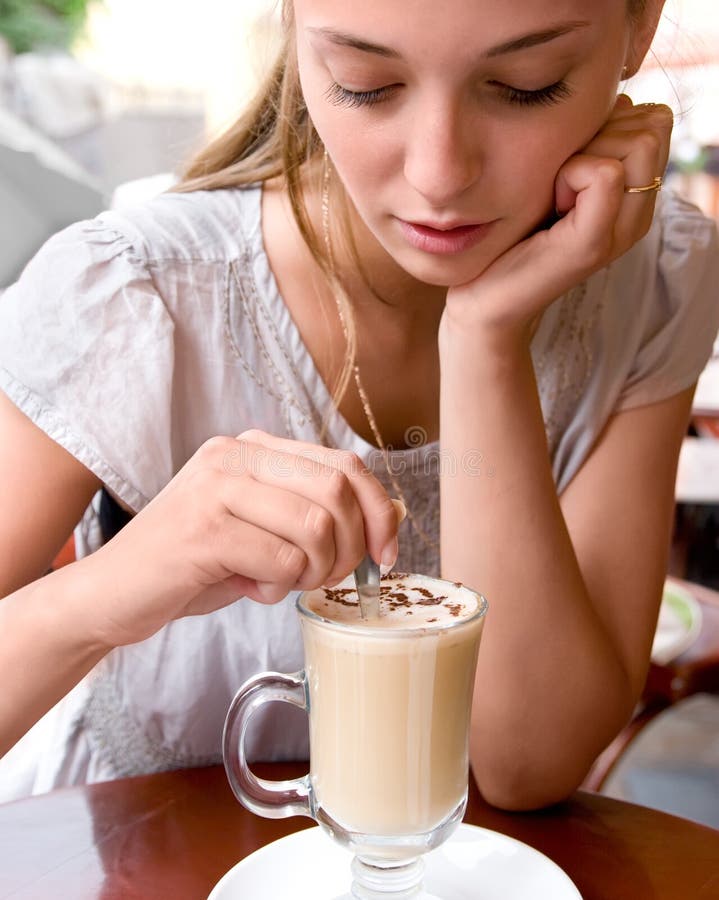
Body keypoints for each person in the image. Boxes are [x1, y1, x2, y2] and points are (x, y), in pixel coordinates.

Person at [0, 0, 717, 810]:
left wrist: (485, 337)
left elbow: (529, 763)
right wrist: (104, 594)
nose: (438, 175)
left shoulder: (657, 280)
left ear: (640, 28)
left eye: (525, 85)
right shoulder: (135, 294)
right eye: (366, 85)